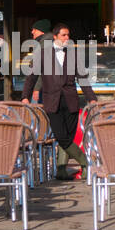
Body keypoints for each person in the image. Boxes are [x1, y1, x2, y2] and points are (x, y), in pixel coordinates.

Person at [22, 21, 96, 180]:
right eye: (63, 35)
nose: (67, 38)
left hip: (70, 100)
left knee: (68, 136)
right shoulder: (43, 53)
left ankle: (61, 170)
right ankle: (86, 162)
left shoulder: (73, 54)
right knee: (61, 135)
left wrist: (91, 99)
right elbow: (31, 77)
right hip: (52, 100)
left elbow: (82, 78)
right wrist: (25, 97)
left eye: (68, 35)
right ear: (55, 36)